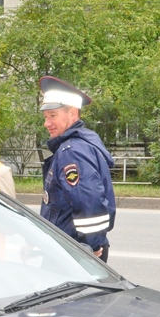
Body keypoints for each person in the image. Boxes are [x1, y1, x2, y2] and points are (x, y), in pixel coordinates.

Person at [38, 76, 116, 262]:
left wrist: (91, 246)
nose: (47, 123)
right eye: (46, 117)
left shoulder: (72, 152)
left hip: (75, 251)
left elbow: (89, 201)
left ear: (72, 113)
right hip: (73, 248)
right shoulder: (78, 145)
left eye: (53, 116)